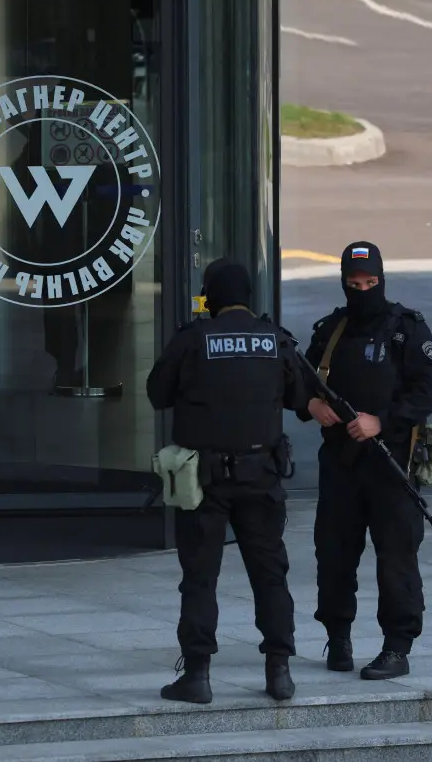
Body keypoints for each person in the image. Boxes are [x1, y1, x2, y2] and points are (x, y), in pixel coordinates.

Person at [146, 258, 310, 704]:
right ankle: (279, 672)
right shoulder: (276, 341)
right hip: (262, 479)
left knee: (200, 578)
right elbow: (300, 398)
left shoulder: (192, 340)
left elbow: (157, 394)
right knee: (269, 576)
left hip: (204, 482)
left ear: (211, 297)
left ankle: (197, 675)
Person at [297, 241, 432, 681]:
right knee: (335, 555)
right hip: (341, 465)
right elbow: (298, 379)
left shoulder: (408, 329)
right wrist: (310, 405)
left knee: (396, 557)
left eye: (371, 282)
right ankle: (338, 638)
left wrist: (381, 421)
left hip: (390, 465)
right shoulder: (331, 330)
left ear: (382, 279)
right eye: (354, 283)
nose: (362, 290)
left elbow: (428, 392)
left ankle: (397, 647)